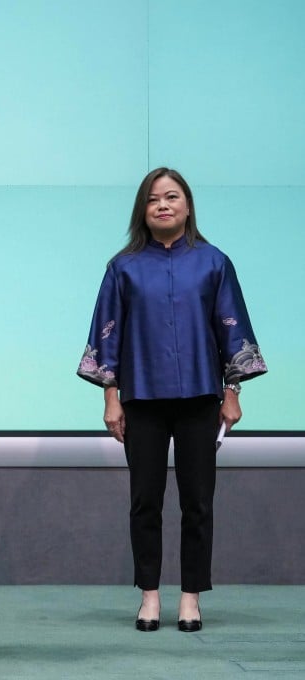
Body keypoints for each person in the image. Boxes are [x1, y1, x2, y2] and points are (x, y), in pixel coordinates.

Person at [77, 167, 267, 632]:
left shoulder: (214, 262)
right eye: (153, 199)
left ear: (187, 205)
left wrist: (232, 392)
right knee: (145, 500)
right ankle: (149, 596)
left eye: (172, 197)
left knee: (198, 501)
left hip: (201, 398)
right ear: (142, 209)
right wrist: (111, 398)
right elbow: (108, 334)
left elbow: (231, 328)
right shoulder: (122, 267)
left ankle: (190, 597)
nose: (162, 205)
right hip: (141, 398)